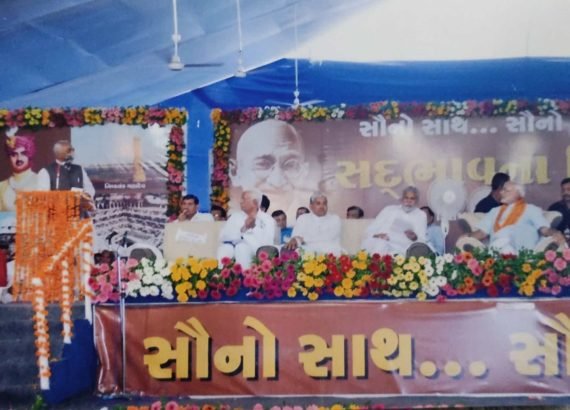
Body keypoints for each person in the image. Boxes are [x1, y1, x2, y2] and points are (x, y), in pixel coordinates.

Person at [229, 119, 311, 218]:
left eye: (290, 165)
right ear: (235, 172)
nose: (277, 181)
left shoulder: (307, 220)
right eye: (263, 164)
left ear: (304, 172)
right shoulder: (234, 221)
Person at [466, 181, 565, 254]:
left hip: (522, 257)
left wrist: (555, 233)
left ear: (518, 193)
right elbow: (481, 233)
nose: (501, 193)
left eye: (506, 190)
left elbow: (544, 229)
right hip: (496, 256)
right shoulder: (494, 211)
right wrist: (466, 236)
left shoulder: (531, 209)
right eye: (502, 190)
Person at [217, 190, 276, 268]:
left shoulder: (267, 219)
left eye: (244, 199)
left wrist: (253, 228)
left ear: (255, 202)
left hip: (256, 250)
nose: (241, 202)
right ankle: (219, 274)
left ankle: (244, 275)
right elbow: (223, 236)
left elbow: (267, 242)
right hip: (232, 248)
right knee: (224, 248)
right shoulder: (235, 216)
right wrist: (244, 229)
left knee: (241, 247)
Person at [362, 186, 427, 255]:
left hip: (403, 247)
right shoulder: (389, 210)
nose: (409, 201)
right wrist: (378, 235)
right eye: (406, 198)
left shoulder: (421, 215)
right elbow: (370, 230)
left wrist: (414, 237)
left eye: (412, 198)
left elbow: (422, 239)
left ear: (416, 201)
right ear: (402, 199)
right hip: (383, 242)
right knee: (380, 244)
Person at [0, 134, 39, 211]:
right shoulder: (1, 186)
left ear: (29, 155)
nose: (19, 158)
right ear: (9, 157)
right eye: (14, 154)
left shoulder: (41, 181)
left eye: (23, 153)